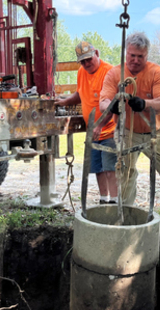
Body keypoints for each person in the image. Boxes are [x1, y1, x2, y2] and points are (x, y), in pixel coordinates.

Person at [97, 32, 160, 221]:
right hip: (127, 132)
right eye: (132, 55)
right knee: (127, 171)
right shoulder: (115, 73)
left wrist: (144, 104)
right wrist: (111, 105)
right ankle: (126, 212)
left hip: (154, 132)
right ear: (126, 53)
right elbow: (103, 102)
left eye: (140, 56)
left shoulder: (157, 72)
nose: (135, 60)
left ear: (147, 55)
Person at [55, 41, 118, 204]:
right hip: (93, 131)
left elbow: (113, 104)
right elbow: (80, 93)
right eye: (82, 61)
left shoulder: (109, 72)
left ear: (96, 53)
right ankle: (104, 200)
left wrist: (100, 125)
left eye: (89, 59)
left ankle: (115, 202)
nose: (86, 63)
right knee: (98, 169)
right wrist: (65, 101)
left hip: (110, 129)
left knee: (110, 168)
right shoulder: (81, 72)